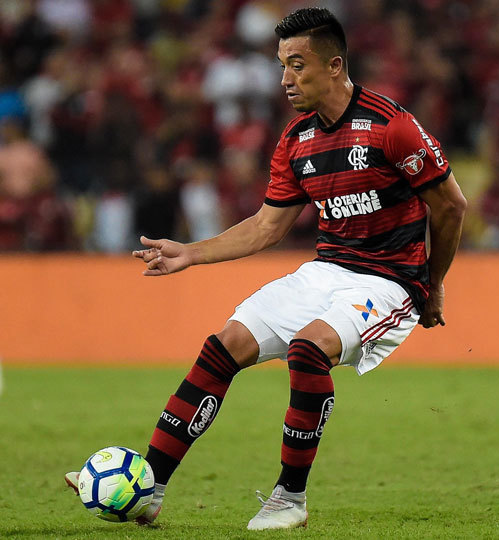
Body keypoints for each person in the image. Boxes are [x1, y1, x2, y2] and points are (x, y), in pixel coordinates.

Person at [64, 7, 467, 530]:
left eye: (297, 65)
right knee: (224, 345)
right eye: (281, 66)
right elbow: (264, 227)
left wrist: (432, 285)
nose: (285, 79)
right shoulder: (297, 140)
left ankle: (289, 498)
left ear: (335, 65)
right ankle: (150, 487)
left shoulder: (392, 128)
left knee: (306, 351)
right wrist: (191, 252)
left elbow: (452, 206)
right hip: (326, 271)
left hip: (389, 282)